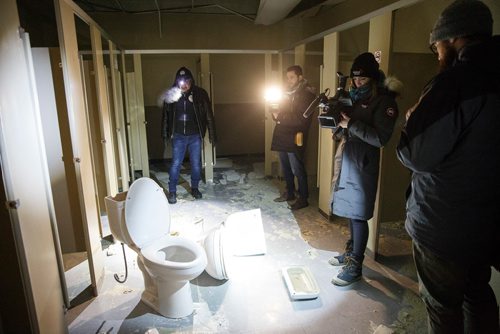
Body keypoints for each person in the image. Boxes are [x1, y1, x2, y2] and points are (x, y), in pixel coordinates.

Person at [396, 1, 500, 332]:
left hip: (444, 224)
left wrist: (413, 120)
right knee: (478, 295)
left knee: (443, 307)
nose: (437, 55)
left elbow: (415, 154)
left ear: (453, 39)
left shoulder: (454, 83)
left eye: (438, 46)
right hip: (488, 221)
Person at [329, 52, 402, 286]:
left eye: (362, 80)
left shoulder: (385, 101)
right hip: (350, 158)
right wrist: (338, 125)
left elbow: (380, 138)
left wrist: (350, 123)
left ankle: (356, 267)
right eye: (354, 79)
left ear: (373, 78)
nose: (357, 83)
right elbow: (349, 125)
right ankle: (350, 253)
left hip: (363, 164)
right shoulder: (356, 98)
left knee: (359, 214)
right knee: (351, 212)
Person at [160, 67, 216, 204]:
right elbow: (166, 116)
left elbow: (209, 115)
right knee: (176, 164)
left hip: (195, 136)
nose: (184, 84)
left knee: (196, 164)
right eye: (181, 81)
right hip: (178, 136)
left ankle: (195, 188)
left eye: (187, 81)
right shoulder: (172, 94)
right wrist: (165, 134)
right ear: (177, 81)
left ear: (191, 81)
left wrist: (212, 134)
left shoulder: (200, 94)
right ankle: (172, 192)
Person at [271, 65, 316, 211]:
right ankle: (289, 192)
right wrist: (275, 112)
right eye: (287, 78)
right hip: (282, 134)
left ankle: (303, 198)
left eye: (291, 77)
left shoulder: (307, 94)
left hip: (296, 136)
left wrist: (280, 117)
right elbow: (280, 113)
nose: (289, 80)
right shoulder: (287, 92)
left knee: (298, 168)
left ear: (300, 77)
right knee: (285, 168)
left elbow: (301, 119)